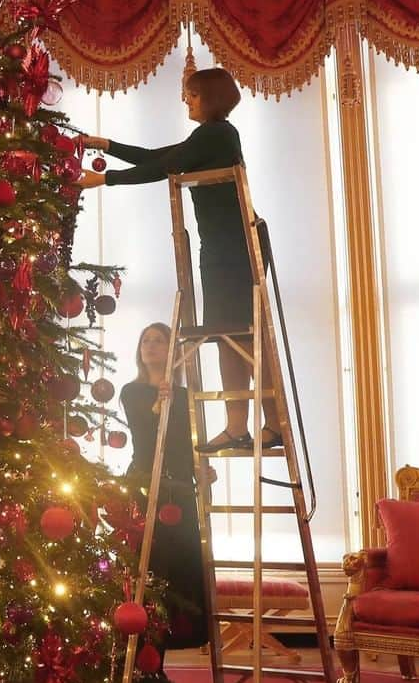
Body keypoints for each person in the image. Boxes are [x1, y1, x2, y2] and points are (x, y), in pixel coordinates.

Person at [78, 67, 279, 453]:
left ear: (210, 96)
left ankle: (246, 426)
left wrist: (106, 180)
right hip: (227, 247)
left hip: (231, 251)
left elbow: (162, 166)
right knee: (233, 336)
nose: (186, 100)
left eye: (192, 94)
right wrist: (105, 145)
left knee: (236, 338)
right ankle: (259, 425)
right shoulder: (212, 136)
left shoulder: (217, 134)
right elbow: (162, 157)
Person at [120, 322, 207, 683]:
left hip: (180, 495)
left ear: (172, 350)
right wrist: (163, 400)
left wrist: (201, 469)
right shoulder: (133, 392)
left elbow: (183, 445)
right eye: (146, 341)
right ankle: (142, 682)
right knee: (147, 584)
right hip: (145, 491)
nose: (151, 346)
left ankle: (158, 677)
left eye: (159, 341)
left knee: (177, 586)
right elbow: (146, 431)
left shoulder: (186, 396)